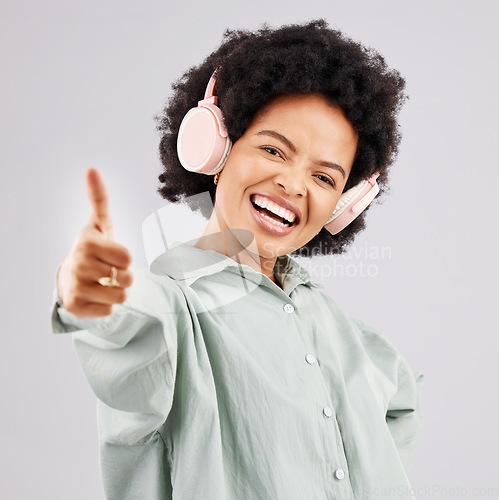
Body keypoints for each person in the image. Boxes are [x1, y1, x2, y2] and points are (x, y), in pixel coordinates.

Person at [51, 20, 424, 500]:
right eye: (273, 149)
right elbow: (128, 323)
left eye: (326, 178)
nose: (293, 185)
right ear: (216, 150)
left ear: (344, 207)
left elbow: (400, 400)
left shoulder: (337, 327)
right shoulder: (174, 313)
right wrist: (93, 287)